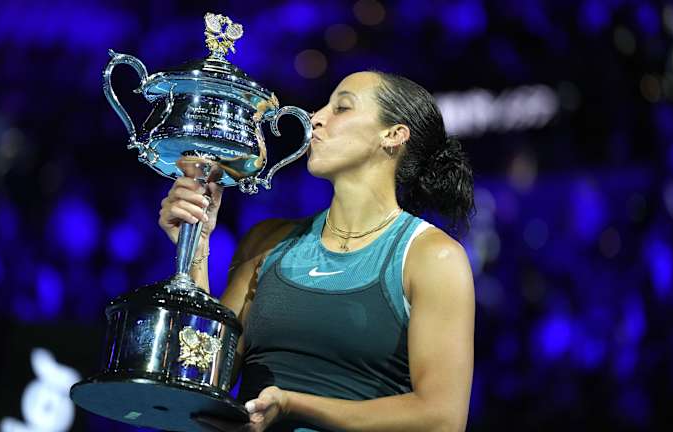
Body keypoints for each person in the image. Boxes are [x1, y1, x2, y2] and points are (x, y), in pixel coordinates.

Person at [159, 71, 475, 431]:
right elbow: (201, 376)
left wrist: (294, 405)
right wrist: (196, 246)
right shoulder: (266, 241)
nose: (315, 117)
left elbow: (443, 419)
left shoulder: (431, 256)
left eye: (341, 108)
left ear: (393, 135)